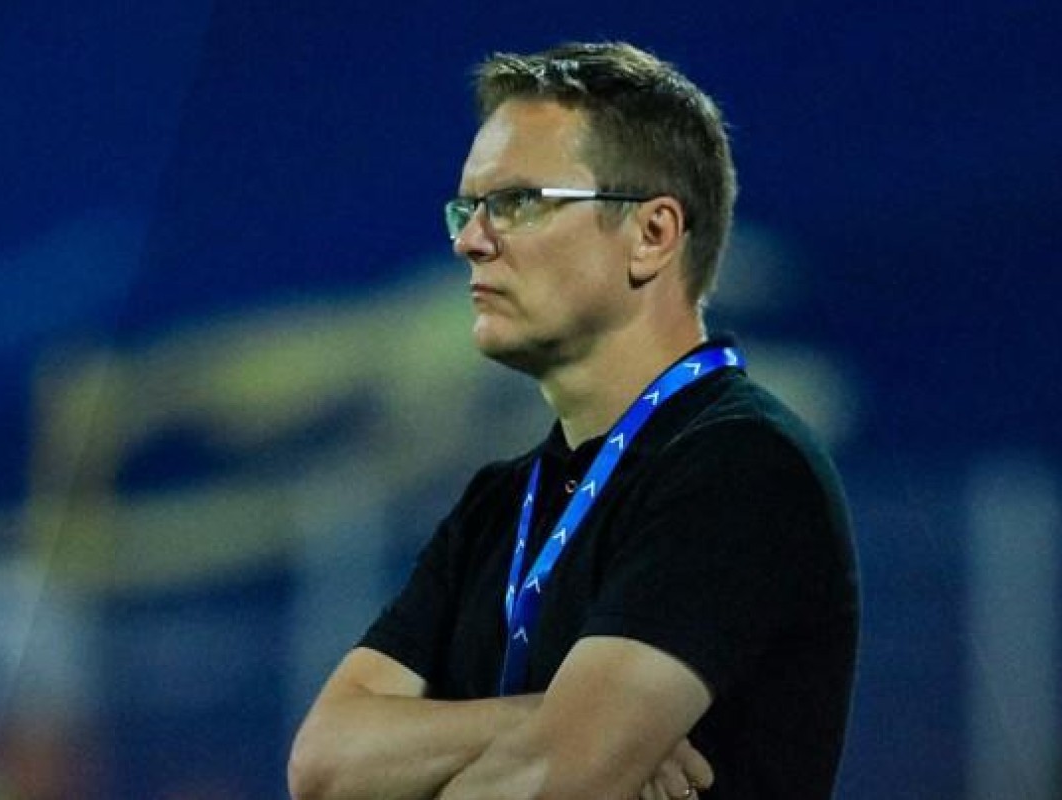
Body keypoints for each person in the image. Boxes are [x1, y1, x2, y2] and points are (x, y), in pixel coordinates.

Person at [288, 41, 859, 800]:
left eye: (518, 203)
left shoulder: (741, 465)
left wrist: (531, 747)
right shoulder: (495, 507)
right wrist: (546, 720)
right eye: (468, 208)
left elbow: (555, 781)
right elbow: (324, 762)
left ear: (652, 235)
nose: (469, 241)